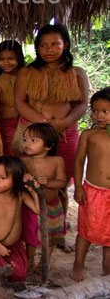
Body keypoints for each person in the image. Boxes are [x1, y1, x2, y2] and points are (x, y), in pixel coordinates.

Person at [15, 24, 89, 247]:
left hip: (66, 135)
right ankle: (28, 233)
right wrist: (42, 123)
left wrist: (64, 123)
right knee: (28, 183)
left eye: (55, 44)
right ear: (37, 47)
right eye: (43, 45)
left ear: (65, 45)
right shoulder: (27, 72)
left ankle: (58, 233)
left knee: (59, 185)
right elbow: (20, 102)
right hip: (34, 134)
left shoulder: (77, 73)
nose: (49, 49)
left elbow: (83, 104)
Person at [0, 156, 40, 282]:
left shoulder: (20, 196)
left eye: (3, 178)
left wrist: (34, 192)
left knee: (18, 275)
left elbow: (38, 210)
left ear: (15, 180)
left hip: (13, 248)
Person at [69, 87, 110, 282]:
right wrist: (78, 186)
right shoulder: (88, 134)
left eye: (105, 111)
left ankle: (107, 266)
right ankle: (78, 263)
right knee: (86, 230)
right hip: (93, 191)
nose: (99, 116)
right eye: (95, 111)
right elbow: (78, 161)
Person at [22, 123, 67, 268]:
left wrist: (48, 183)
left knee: (51, 236)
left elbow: (62, 182)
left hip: (52, 207)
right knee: (31, 236)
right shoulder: (23, 162)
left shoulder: (57, 161)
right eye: (25, 140)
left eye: (33, 140)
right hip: (32, 207)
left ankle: (44, 262)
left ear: (48, 145)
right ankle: (29, 261)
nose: (27, 143)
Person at [0, 40, 26, 156]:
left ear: (19, 58)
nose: (6, 63)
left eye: (11, 58)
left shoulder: (25, 76)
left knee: (17, 160)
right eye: (2, 59)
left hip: (19, 127)